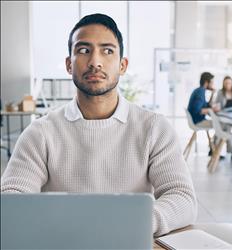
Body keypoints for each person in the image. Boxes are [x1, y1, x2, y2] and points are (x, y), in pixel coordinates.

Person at [0, 13, 197, 237]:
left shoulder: (153, 128)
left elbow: (182, 197)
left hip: (128, 240)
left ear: (122, 65)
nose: (95, 62)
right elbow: (11, 199)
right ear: (68, 64)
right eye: (84, 50)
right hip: (62, 241)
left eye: (107, 50)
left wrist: (135, 224)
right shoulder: (41, 132)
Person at [213, 76, 232, 154]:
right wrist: (217, 107)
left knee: (230, 129)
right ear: (223, 84)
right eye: (226, 83)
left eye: (229, 83)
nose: (228, 84)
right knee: (228, 129)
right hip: (223, 114)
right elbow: (216, 103)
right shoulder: (220, 92)